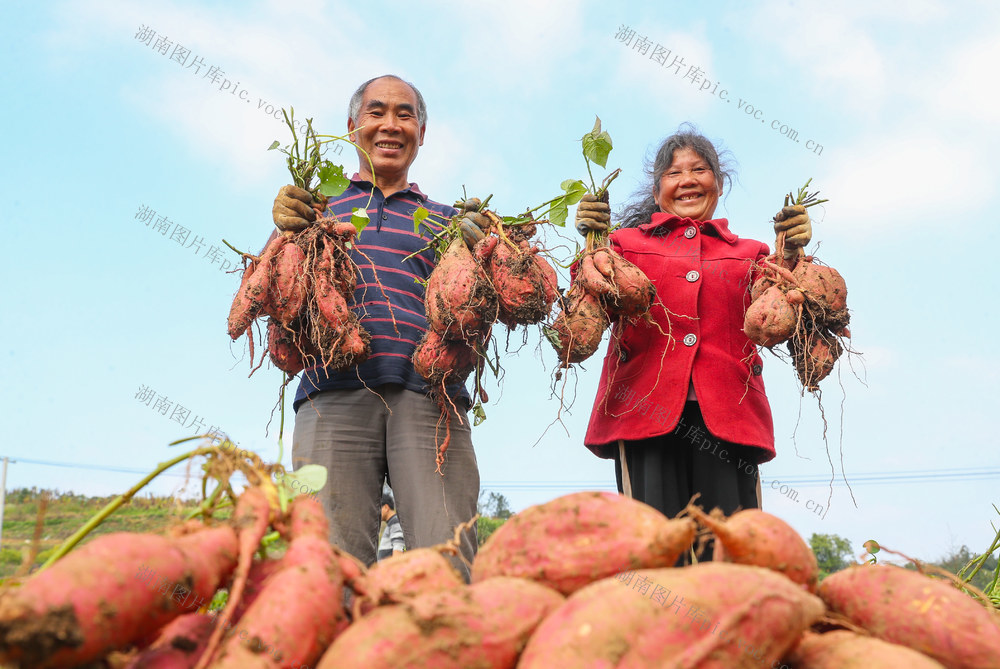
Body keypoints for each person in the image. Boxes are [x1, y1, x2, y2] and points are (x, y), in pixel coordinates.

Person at [269, 75, 486, 579]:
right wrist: (284, 232)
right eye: (377, 112)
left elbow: (474, 314)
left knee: (446, 556)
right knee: (325, 561)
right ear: (352, 127)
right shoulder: (314, 210)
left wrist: (485, 257)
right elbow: (279, 296)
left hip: (430, 397)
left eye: (406, 114)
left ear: (422, 133)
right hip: (331, 395)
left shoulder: (448, 222)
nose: (391, 124)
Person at [574, 125, 812, 528]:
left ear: (718, 185)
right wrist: (592, 241)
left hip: (729, 417)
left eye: (699, 170)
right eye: (673, 173)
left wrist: (790, 254)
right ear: (656, 193)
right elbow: (589, 307)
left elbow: (778, 314)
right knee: (656, 548)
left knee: (729, 549)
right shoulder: (622, 246)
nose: (687, 180)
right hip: (643, 415)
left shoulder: (752, 253)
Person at [377, 489, 405, 560]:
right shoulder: (391, 523)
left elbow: (398, 547)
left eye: (378, 508)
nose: (376, 512)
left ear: (386, 507)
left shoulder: (395, 521)